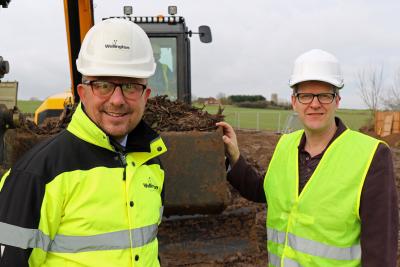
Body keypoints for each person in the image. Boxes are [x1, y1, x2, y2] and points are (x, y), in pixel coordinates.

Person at [0, 18, 167, 266]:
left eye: (130, 86)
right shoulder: (38, 174)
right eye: (103, 85)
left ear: (146, 96)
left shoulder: (152, 164)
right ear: (82, 93)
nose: (117, 100)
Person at [217, 49, 398, 266]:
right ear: (294, 102)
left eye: (324, 95)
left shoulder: (372, 155)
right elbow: (265, 190)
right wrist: (235, 157)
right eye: (305, 96)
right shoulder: (285, 144)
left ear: (337, 100)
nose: (314, 104)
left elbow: (380, 251)